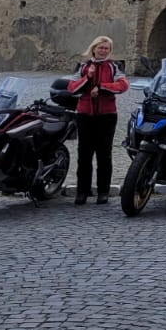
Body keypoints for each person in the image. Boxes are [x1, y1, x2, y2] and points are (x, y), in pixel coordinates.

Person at [67, 35, 129, 204]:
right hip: (85, 114)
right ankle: (82, 191)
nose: (103, 51)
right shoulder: (82, 66)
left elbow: (123, 85)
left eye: (106, 48)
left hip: (107, 115)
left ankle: (103, 191)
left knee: (104, 154)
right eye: (100, 48)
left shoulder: (114, 66)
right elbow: (72, 88)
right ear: (93, 48)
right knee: (84, 154)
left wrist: (102, 87)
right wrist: (87, 77)